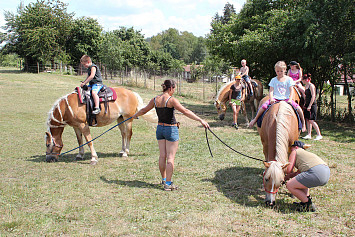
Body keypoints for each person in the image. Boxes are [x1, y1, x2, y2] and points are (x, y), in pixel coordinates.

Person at [133, 79, 210, 191]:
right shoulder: (171, 100)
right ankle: (168, 184)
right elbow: (185, 111)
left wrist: (135, 115)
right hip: (171, 129)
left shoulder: (155, 99)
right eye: (174, 89)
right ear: (170, 88)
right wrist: (200, 120)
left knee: (162, 156)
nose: (174, 91)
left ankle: (164, 180)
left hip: (160, 129)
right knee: (170, 158)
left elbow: (144, 110)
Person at [248, 61, 306, 132]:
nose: (279, 73)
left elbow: (291, 91)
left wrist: (290, 99)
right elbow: (271, 91)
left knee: (298, 108)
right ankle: (255, 119)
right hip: (276, 98)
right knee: (263, 107)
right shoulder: (273, 80)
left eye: (281, 71)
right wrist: (271, 98)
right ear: (275, 71)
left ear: (285, 70)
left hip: (286, 98)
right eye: (277, 71)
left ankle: (303, 124)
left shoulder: (289, 80)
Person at [284, 141, 330, 212]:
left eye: (291, 148)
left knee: (290, 185)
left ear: (296, 147)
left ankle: (307, 204)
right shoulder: (305, 155)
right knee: (302, 180)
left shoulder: (295, 151)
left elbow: (288, 170)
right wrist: (288, 176)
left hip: (316, 171)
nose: (290, 150)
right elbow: (297, 174)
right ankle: (304, 201)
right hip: (325, 171)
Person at [301, 74, 323, 140]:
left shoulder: (311, 86)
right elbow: (305, 96)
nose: (302, 81)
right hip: (307, 105)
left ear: (305, 80)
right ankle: (309, 134)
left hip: (312, 105)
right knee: (307, 120)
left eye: (302, 80)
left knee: (311, 120)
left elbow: (313, 96)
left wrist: (310, 105)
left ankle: (319, 134)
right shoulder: (306, 86)